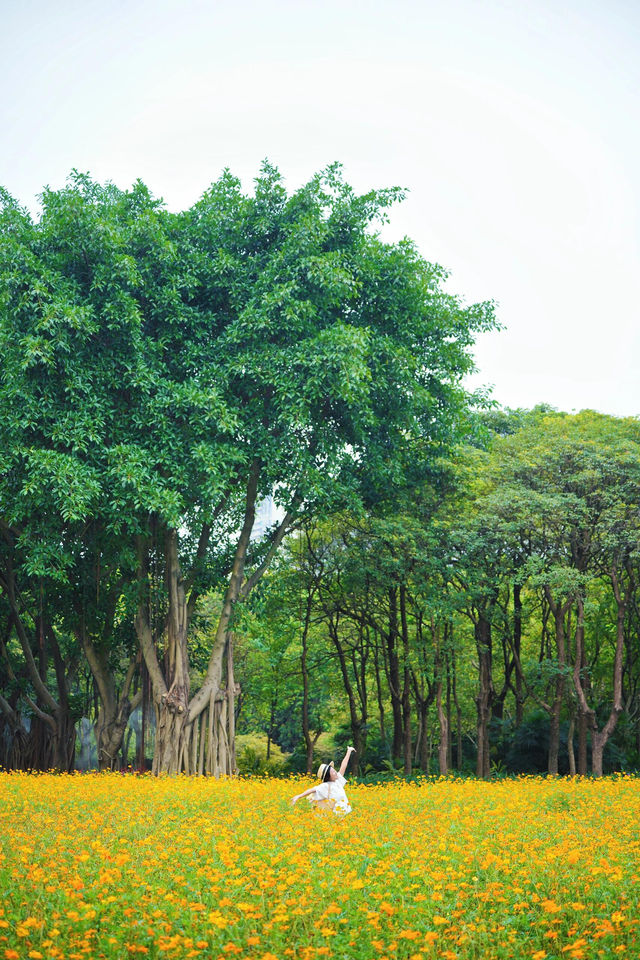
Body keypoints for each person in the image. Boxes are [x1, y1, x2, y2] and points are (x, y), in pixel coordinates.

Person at [291, 746, 355, 815]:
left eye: (334, 770)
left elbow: (343, 765)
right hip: (336, 818)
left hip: (346, 815)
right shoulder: (326, 786)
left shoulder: (338, 781)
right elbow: (312, 789)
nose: (336, 772)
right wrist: (299, 796)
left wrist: (349, 751)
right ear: (328, 777)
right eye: (333, 772)